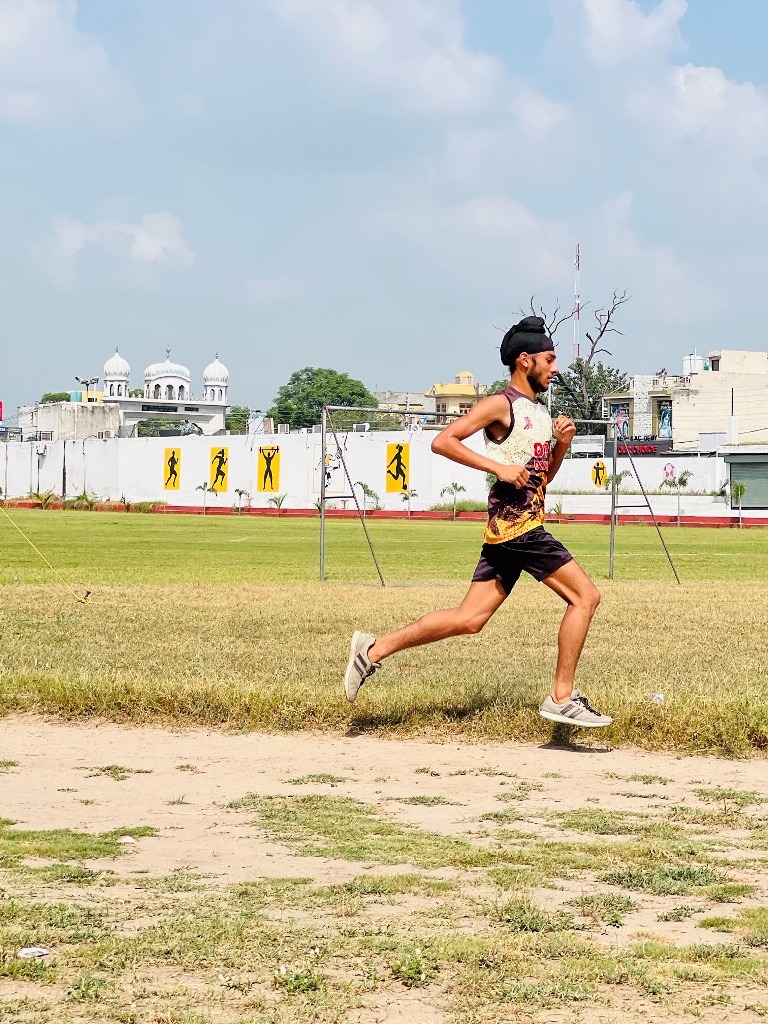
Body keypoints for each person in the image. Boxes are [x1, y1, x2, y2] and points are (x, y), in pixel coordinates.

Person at [343, 316, 612, 728]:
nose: (556, 368)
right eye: (550, 359)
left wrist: (562, 446)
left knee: (470, 619)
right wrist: (497, 469)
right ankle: (561, 697)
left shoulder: (539, 413)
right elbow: (442, 441)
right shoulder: (499, 404)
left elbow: (543, 478)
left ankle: (372, 651)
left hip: (510, 531)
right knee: (585, 597)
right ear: (526, 360)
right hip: (520, 528)